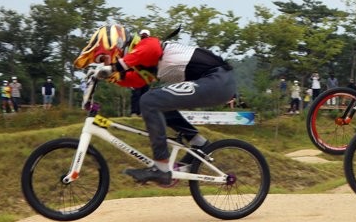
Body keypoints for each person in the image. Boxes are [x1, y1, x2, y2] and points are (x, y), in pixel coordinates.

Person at [74, 24, 235, 185]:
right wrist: (112, 76)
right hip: (215, 82)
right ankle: (199, 143)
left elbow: (153, 50)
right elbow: (136, 81)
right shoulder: (140, 62)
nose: (105, 63)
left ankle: (161, 166)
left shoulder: (145, 43)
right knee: (158, 101)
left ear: (115, 45)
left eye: (103, 58)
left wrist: (114, 67)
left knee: (149, 100)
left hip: (217, 80)